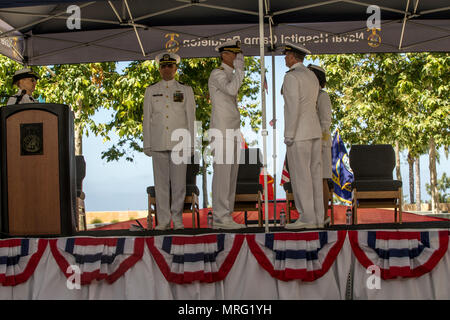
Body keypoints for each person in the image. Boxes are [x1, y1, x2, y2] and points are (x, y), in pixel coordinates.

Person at [143, 52, 196, 230]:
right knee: (161, 185)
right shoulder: (150, 90)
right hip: (158, 142)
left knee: (179, 184)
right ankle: (164, 221)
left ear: (175, 68)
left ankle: (178, 219)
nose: (166, 69)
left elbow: (191, 117)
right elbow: (147, 119)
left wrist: (192, 144)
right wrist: (147, 143)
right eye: (163, 66)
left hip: (180, 143)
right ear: (159, 69)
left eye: (170, 66)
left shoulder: (186, 90)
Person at [282, 41, 324, 229]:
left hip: (299, 133)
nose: (285, 58)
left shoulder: (291, 77)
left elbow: (293, 107)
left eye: (286, 55)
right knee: (315, 175)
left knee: (301, 177)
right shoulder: (311, 75)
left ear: (292, 57)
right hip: (314, 131)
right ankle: (317, 217)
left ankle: (306, 217)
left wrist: (289, 134)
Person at [208, 39, 246, 229]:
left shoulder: (230, 74)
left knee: (231, 175)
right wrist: (240, 71)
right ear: (224, 55)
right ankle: (220, 217)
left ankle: (226, 216)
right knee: (223, 174)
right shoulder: (218, 73)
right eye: (234, 53)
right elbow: (231, 89)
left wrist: (237, 72)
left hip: (232, 130)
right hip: (221, 130)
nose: (238, 57)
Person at [308, 64, 332, 225]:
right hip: (308, 143)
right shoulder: (307, 97)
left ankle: (323, 217)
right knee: (309, 180)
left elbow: (325, 122)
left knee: (322, 179)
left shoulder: (322, 96)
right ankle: (311, 216)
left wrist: (318, 141)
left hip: (321, 143)